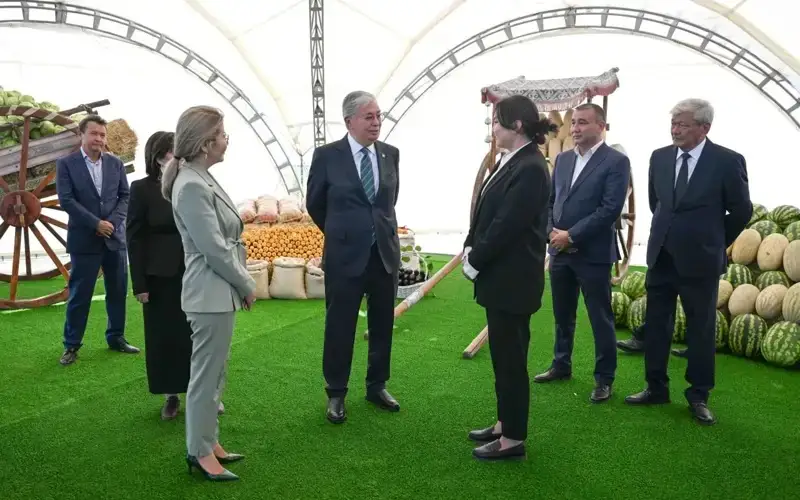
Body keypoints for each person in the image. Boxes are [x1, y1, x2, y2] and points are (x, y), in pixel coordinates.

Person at [625, 98, 751, 426]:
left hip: (701, 259)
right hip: (662, 255)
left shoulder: (727, 161)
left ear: (704, 128)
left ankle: (698, 395)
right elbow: (658, 203)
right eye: (674, 123)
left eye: (683, 124)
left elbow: (741, 210)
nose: (675, 130)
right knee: (657, 324)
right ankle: (655, 387)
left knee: (700, 328)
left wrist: (714, 238)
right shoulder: (660, 157)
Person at [161, 105, 255, 481]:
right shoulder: (193, 185)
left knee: (215, 375)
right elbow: (214, 248)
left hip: (217, 292)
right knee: (205, 377)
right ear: (205, 143)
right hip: (210, 292)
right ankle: (199, 452)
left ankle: (208, 441)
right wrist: (246, 284)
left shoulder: (199, 177)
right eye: (221, 134)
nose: (225, 140)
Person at [462, 95, 553, 461]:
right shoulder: (512, 161)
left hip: (512, 281)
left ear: (517, 125)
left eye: (497, 122)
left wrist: (476, 260)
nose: (493, 129)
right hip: (503, 279)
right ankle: (505, 421)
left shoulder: (531, 167)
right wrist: (472, 246)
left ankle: (513, 439)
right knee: (503, 357)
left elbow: (507, 226)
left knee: (511, 361)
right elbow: (487, 213)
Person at [306, 90, 401, 424]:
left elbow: (388, 202)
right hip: (345, 256)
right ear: (349, 121)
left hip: (384, 255)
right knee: (340, 326)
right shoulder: (327, 156)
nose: (376, 122)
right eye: (369, 117)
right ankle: (336, 392)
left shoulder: (391, 154)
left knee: (382, 324)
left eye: (378, 115)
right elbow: (315, 203)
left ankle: (377, 385)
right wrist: (341, 232)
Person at [533, 103, 631, 403]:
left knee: (600, 317)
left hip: (593, 253)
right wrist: (552, 231)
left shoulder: (616, 161)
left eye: (583, 123)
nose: (575, 128)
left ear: (601, 126)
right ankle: (561, 364)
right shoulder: (561, 160)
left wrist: (571, 234)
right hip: (560, 252)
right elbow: (550, 201)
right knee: (563, 314)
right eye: (573, 123)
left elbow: (609, 209)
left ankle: (604, 378)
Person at [56, 114, 139, 366]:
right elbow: (66, 200)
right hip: (85, 240)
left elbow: (125, 196)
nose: (99, 139)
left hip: (114, 239)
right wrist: (95, 223)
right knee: (80, 295)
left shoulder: (115, 164)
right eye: (94, 134)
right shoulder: (66, 164)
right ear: (82, 135)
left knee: (117, 291)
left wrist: (112, 223)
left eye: (102, 135)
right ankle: (71, 345)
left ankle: (116, 338)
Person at [126, 131, 194, 420]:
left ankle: (203, 393)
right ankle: (170, 396)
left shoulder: (191, 183)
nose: (171, 159)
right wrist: (139, 283)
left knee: (196, 335)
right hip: (159, 275)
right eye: (166, 154)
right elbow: (134, 236)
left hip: (193, 269)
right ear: (154, 158)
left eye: (175, 152)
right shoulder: (141, 189)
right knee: (164, 336)